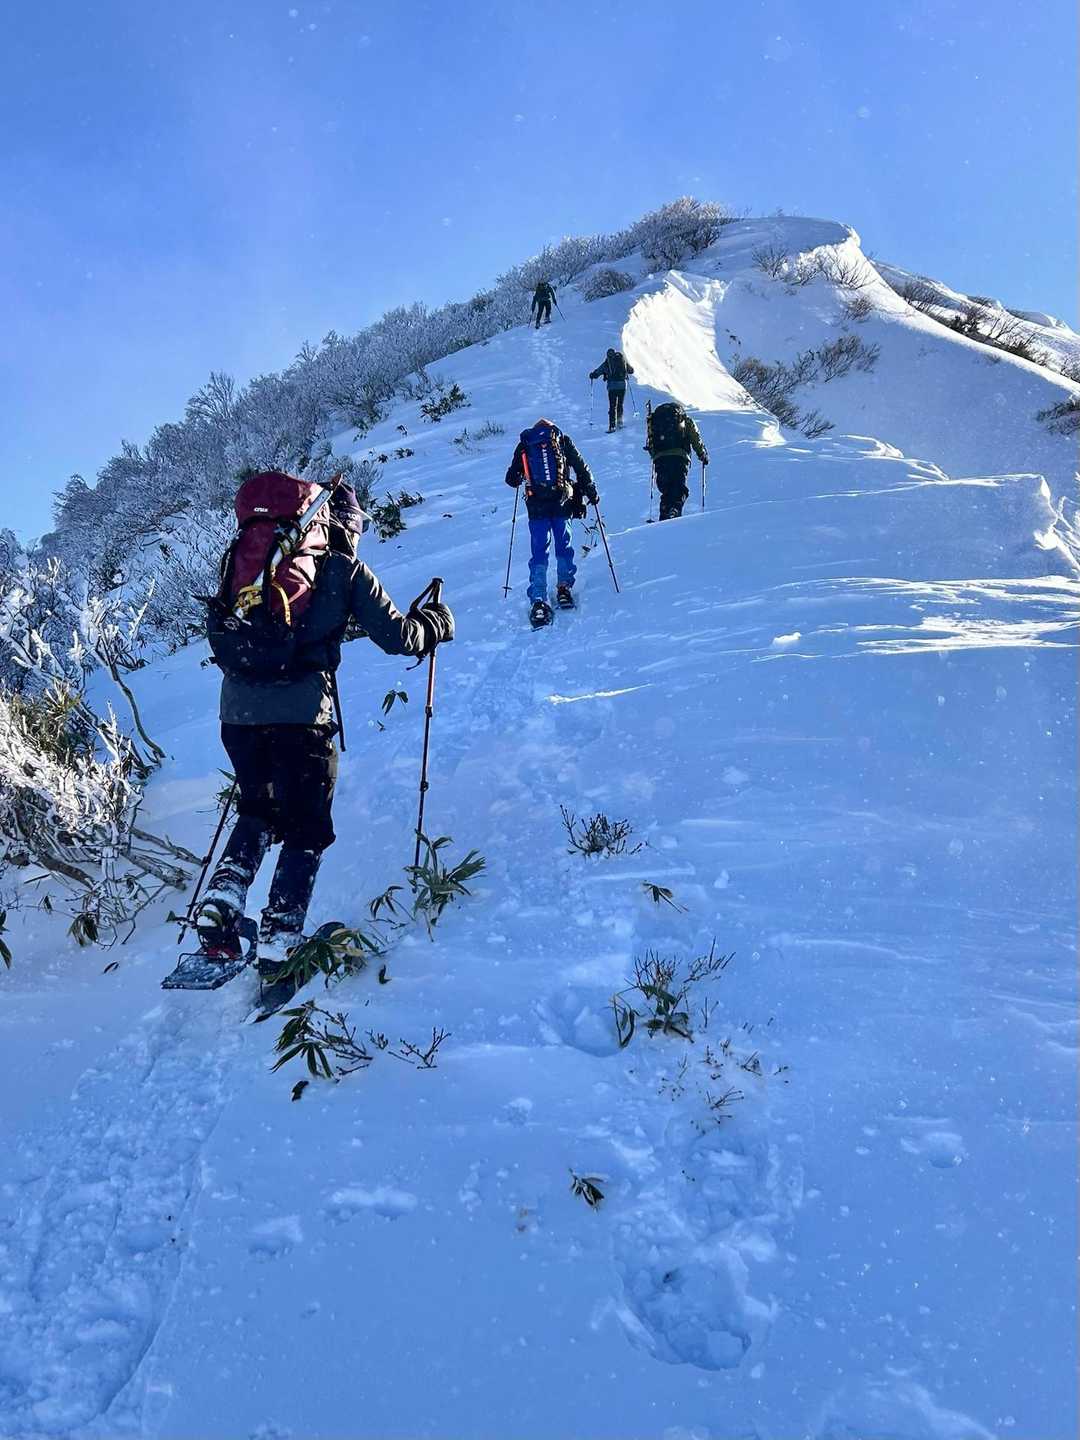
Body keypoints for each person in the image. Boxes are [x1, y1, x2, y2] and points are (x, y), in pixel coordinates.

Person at [196, 472, 454, 1005]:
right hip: (302, 720)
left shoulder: (250, 557)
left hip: (237, 717)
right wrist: (437, 623)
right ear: (342, 525)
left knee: (258, 809)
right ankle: (279, 943)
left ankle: (223, 899)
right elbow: (401, 638)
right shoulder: (341, 568)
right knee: (307, 830)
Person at [505, 419, 598, 626]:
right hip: (561, 503)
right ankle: (564, 587)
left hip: (536, 507)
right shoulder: (562, 441)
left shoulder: (525, 444)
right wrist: (591, 491)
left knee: (539, 552)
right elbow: (581, 468)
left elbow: (511, 479)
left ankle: (538, 598)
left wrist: (521, 475)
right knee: (563, 546)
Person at [645, 401, 710, 520]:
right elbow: (694, 436)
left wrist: (655, 455)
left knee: (667, 491)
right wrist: (702, 454)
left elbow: (650, 439)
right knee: (679, 489)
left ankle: (664, 517)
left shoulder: (655, 420)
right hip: (680, 457)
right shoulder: (684, 419)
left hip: (661, 459)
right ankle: (674, 512)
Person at [589, 348, 635, 431]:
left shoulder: (607, 363)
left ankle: (612, 426)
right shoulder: (622, 360)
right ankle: (620, 423)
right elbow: (631, 370)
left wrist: (592, 375)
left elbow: (597, 373)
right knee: (620, 405)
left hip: (612, 387)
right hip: (622, 386)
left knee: (612, 406)